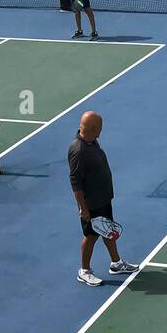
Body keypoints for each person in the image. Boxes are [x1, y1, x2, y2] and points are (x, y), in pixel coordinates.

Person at [69, 111, 138, 286]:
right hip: (91, 204)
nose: (101, 130)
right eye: (100, 127)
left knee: (108, 230)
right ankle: (84, 271)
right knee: (91, 236)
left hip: (103, 199)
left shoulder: (91, 142)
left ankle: (116, 263)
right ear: (93, 129)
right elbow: (75, 182)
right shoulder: (79, 151)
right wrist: (83, 208)